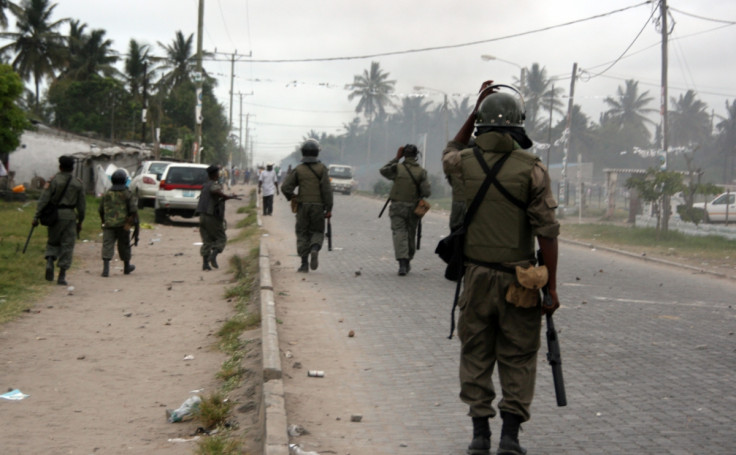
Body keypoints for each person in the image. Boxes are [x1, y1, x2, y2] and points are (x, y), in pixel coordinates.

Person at [442, 82, 560, 455]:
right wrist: (551, 288)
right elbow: (547, 233)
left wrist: (474, 109)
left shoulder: (462, 164)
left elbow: (451, 148)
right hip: (520, 280)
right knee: (519, 355)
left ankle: (480, 435)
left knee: (475, 352)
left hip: (476, 276)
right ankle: (510, 438)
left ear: (481, 123)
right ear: (517, 124)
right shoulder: (534, 170)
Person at [280, 139, 333, 273]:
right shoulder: (322, 169)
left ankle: (304, 264)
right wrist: (329, 208)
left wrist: (292, 197)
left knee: (302, 233)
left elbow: (286, 187)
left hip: (302, 206)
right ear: (316, 153)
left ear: (303, 153)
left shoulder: (299, 169)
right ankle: (315, 248)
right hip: (318, 206)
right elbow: (327, 190)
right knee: (317, 231)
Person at [32, 155, 86, 285]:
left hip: (54, 215)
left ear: (60, 167)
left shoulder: (53, 181)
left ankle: (50, 259)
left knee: (53, 241)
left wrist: (36, 217)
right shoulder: (77, 184)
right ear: (72, 169)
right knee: (67, 244)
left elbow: (44, 199)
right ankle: (61, 275)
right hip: (70, 216)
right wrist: (80, 221)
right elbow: (82, 206)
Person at [379, 144, 431, 276]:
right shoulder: (421, 171)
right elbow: (427, 192)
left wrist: (396, 158)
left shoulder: (397, 167)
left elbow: (383, 171)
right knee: (410, 234)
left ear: (404, 154)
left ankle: (402, 263)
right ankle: (407, 261)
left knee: (399, 233)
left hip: (397, 207)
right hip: (413, 208)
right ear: (416, 155)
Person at [197, 164, 238, 271]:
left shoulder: (205, 185)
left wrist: (226, 197)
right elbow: (215, 191)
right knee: (221, 238)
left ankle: (205, 264)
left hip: (202, 215)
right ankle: (213, 256)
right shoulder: (213, 184)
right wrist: (227, 196)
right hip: (212, 216)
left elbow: (213, 196)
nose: (219, 174)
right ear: (215, 174)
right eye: (218, 173)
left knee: (206, 240)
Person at [98, 169, 137, 277]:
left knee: (107, 245)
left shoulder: (107, 194)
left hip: (109, 224)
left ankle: (106, 269)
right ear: (124, 180)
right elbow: (133, 210)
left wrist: (103, 221)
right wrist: (132, 222)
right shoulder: (127, 193)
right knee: (124, 245)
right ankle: (126, 267)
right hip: (123, 225)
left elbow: (101, 209)